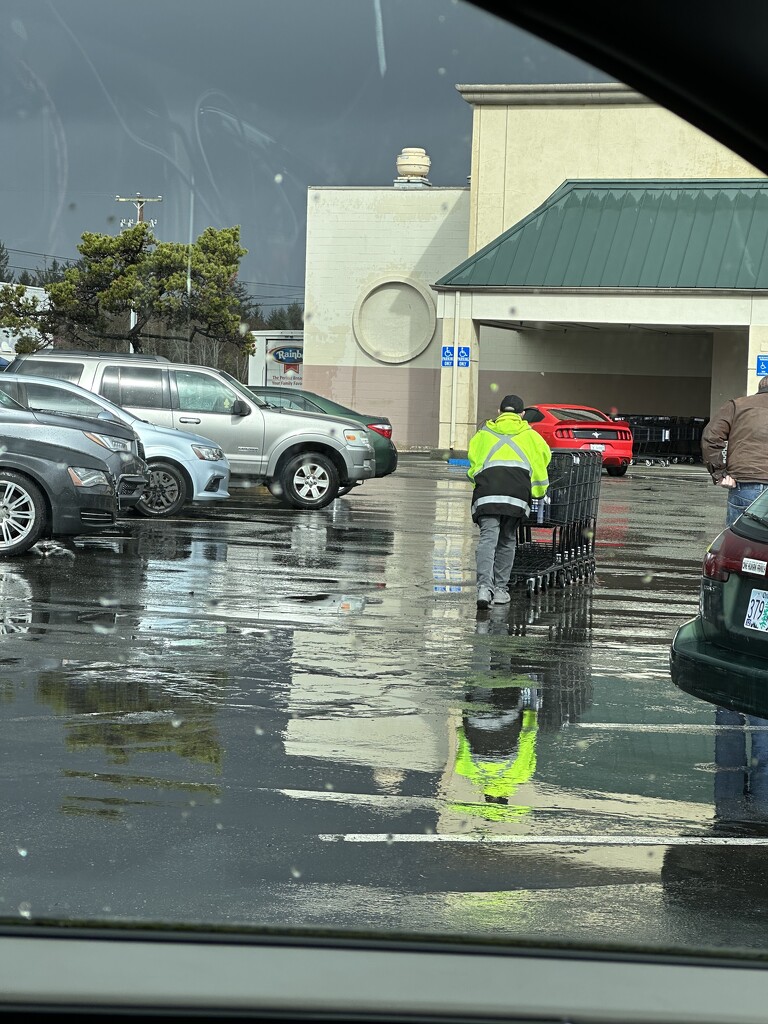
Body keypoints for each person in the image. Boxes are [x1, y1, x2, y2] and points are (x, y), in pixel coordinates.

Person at [467, 394, 552, 609]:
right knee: (507, 539)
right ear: (522, 415)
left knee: (488, 539)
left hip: (488, 492)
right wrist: (539, 492)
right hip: (516, 495)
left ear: (499, 412)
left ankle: (484, 589)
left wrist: (480, 482)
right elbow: (543, 461)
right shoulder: (531, 436)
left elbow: (474, 464)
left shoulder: (483, 433)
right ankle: (501, 591)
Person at [702, 377, 768, 526]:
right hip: (747, 483)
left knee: (739, 543)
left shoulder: (737, 405)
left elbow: (710, 437)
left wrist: (720, 473)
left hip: (746, 485)